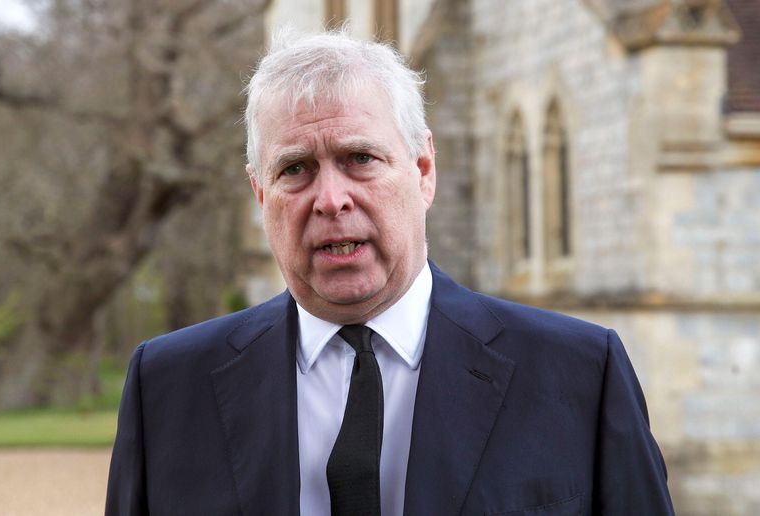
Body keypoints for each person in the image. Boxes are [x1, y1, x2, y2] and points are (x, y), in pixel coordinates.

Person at [106, 29, 675, 516]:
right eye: (296, 169)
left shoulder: (578, 375)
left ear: (423, 170)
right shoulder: (167, 389)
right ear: (261, 194)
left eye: (360, 159)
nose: (331, 199)